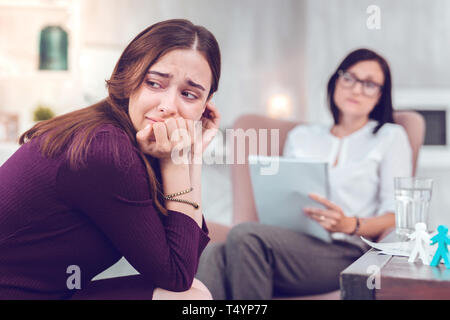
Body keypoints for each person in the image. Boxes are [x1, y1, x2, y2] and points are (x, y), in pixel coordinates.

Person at [0, 19, 221, 300]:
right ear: (130, 78)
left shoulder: (128, 139)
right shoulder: (106, 149)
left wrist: (192, 155)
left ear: (205, 105)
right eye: (154, 83)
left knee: (194, 291)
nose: (167, 106)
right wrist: (176, 160)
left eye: (189, 95)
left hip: (51, 292)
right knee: (188, 297)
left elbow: (184, 258)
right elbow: (178, 275)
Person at [196, 48, 412, 299]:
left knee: (245, 236)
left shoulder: (390, 137)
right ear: (336, 81)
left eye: (369, 84)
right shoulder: (303, 137)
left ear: (380, 96)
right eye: (350, 78)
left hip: (346, 249)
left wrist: (350, 224)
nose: (356, 89)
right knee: (215, 254)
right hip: (289, 241)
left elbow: (397, 214)